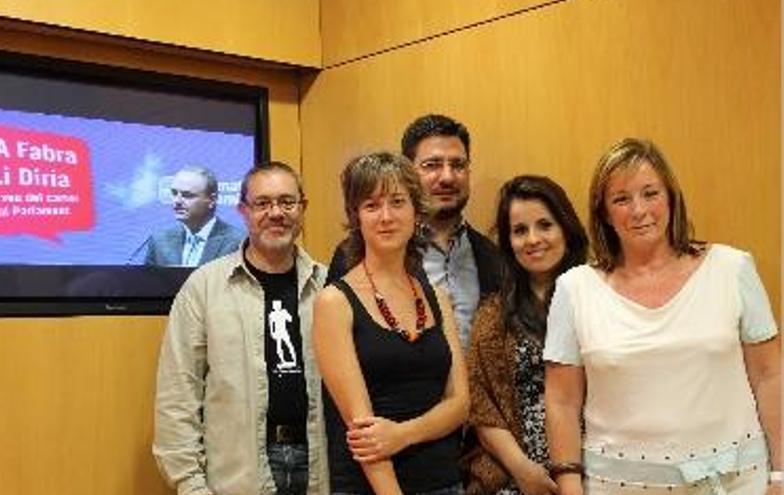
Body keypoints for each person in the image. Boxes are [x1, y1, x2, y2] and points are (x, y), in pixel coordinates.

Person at [544, 138, 781, 495]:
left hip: (737, 482)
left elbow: (770, 375)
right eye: (621, 199)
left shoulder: (733, 269)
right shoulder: (574, 289)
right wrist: (569, 485)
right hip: (618, 487)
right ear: (604, 213)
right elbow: (562, 401)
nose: (639, 210)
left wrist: (780, 476)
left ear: (671, 197)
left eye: (650, 193)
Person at [153, 161, 328, 495]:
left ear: (302, 209)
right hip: (239, 476)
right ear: (243, 211)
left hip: (319, 469)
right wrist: (191, 486)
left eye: (287, 202)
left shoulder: (329, 286)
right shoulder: (204, 288)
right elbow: (178, 395)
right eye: (262, 203)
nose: (276, 213)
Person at [314, 152, 469, 495]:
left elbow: (459, 404)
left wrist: (402, 434)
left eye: (398, 202)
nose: (386, 217)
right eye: (372, 205)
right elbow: (363, 432)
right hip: (373, 486)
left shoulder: (436, 298)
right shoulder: (335, 302)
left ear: (416, 211)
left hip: (445, 481)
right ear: (356, 217)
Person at [329, 114, 503, 348]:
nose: (447, 177)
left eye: (458, 165)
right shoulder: (356, 255)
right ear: (407, 173)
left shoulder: (493, 255)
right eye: (432, 165)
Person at [464, 176, 588, 495]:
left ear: (566, 229)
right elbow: (481, 406)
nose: (533, 239)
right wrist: (523, 470)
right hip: (515, 478)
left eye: (545, 225)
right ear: (508, 242)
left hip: (595, 471)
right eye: (519, 231)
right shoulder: (492, 315)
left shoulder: (599, 299)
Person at [136, 166, 243, 267]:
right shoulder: (160, 241)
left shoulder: (238, 242)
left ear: (212, 200)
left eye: (187, 195)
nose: (177, 201)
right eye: (174, 193)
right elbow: (148, 284)